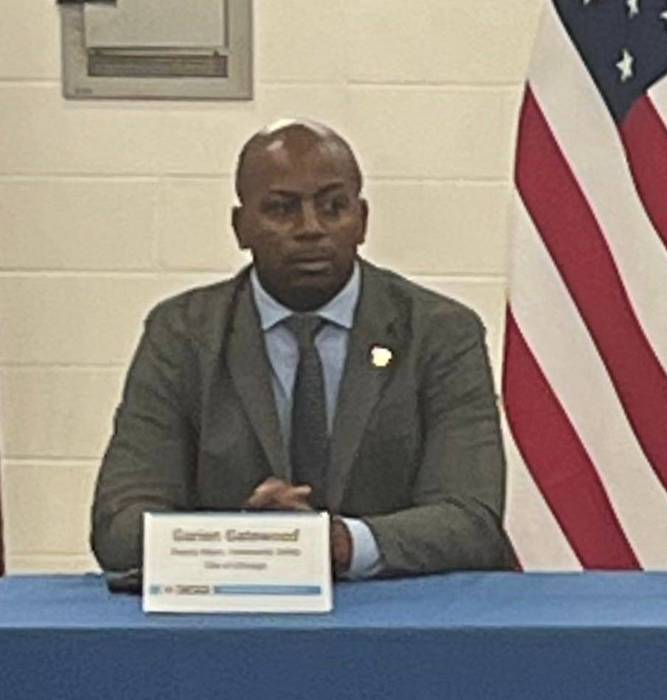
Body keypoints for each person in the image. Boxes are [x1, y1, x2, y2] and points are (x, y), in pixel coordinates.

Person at [91, 119, 515, 578]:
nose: (311, 228)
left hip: (399, 618)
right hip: (234, 617)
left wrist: (340, 542)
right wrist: (248, 542)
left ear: (362, 220)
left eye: (333, 207)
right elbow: (119, 525)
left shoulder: (440, 333)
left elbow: (471, 520)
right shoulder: (183, 335)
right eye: (281, 209)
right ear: (240, 227)